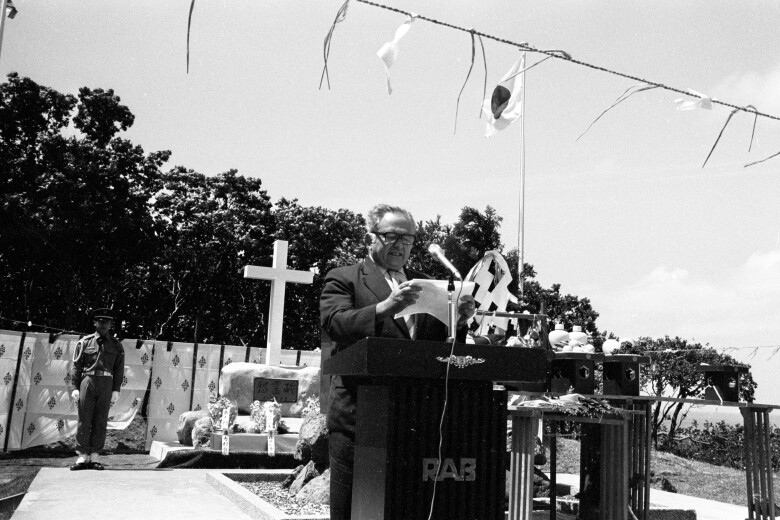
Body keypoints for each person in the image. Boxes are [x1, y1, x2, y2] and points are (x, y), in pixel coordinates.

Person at [319, 204, 475, 520]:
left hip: (416, 418)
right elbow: (335, 323)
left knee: (407, 508)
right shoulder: (345, 278)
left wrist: (459, 319)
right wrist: (384, 308)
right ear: (369, 238)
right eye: (392, 236)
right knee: (354, 509)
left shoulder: (428, 284)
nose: (401, 245)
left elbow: (439, 346)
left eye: (409, 238)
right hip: (359, 418)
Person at [69, 308, 125, 470]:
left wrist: (116, 390)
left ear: (111, 325)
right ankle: (82, 456)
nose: (103, 325)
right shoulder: (85, 342)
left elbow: (119, 369)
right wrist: (75, 387)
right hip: (88, 381)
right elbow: (76, 366)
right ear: (95, 323)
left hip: (106, 383)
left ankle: (94, 456)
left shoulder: (116, 345)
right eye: (100, 321)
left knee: (100, 421)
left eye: (107, 322)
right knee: (84, 419)